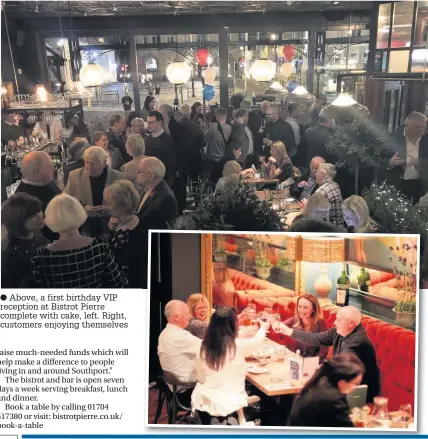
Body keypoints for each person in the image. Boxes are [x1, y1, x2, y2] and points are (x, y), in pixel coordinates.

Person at [280, 306, 380, 402]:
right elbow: (316, 338)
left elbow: (341, 365)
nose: (335, 322)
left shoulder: (358, 341)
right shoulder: (340, 332)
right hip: (341, 385)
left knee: (308, 398)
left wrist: (320, 369)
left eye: (339, 320)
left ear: (351, 323)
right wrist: (289, 331)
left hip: (357, 394)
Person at [192, 307, 270, 425]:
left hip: (206, 403)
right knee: (270, 405)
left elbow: (201, 378)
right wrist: (263, 328)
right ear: (233, 326)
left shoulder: (202, 347)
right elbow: (256, 342)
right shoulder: (237, 346)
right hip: (232, 405)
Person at [31, 194, 127, 288]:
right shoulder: (100, 246)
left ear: (50, 219)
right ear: (79, 212)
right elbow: (117, 283)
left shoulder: (40, 256)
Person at [288, 353, 364, 427]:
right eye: (355, 383)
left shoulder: (322, 381)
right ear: (342, 383)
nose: (355, 387)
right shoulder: (333, 399)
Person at [65, 146, 125, 237]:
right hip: (85, 228)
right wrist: (83, 208)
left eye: (93, 163)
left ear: (104, 163)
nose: (89, 167)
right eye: (86, 162)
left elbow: (127, 205)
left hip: (113, 227)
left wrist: (111, 210)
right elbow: (65, 201)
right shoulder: (74, 176)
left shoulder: (119, 178)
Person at [104, 180, 147, 288]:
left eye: (108, 203)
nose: (105, 206)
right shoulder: (139, 219)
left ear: (118, 208)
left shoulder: (122, 240)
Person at [1, 193, 46, 288]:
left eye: (39, 211)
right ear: (18, 220)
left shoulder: (35, 233)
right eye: (33, 215)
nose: (40, 217)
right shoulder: (11, 255)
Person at [15, 151, 62, 241]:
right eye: (49, 166)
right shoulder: (23, 197)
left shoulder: (45, 181)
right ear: (36, 170)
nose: (53, 168)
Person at [384, 111, 428, 204]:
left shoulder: (426, 140)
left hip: (420, 185)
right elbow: (377, 161)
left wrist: (419, 162)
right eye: (417, 127)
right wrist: (390, 162)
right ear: (406, 125)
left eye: (423, 126)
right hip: (397, 185)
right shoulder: (391, 138)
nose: (421, 130)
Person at [158, 300, 202, 392]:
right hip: (187, 389)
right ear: (176, 317)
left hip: (175, 386)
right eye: (187, 313)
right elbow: (209, 347)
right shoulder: (178, 336)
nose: (190, 317)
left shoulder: (165, 333)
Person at [136, 157, 178, 230]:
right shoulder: (147, 187)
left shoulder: (166, 199)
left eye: (140, 171)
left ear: (151, 176)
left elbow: (164, 231)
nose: (136, 173)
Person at [283, 294, 329, 360]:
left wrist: (310, 364)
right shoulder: (294, 320)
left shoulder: (321, 324)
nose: (301, 310)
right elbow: (282, 325)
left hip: (314, 363)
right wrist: (274, 322)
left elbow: (323, 352)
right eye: (300, 306)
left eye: (305, 307)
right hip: (296, 360)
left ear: (313, 309)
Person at [144, 110, 176, 188]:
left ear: (160, 122)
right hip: (150, 180)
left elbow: (171, 163)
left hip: (164, 180)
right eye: (147, 122)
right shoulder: (147, 139)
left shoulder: (167, 140)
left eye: (151, 122)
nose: (149, 125)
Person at [203, 108, 232, 183]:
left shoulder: (213, 126)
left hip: (213, 158)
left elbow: (205, 140)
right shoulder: (229, 127)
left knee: (211, 180)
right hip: (224, 159)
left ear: (218, 115)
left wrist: (205, 128)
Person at [180, 104, 205, 182]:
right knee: (195, 179)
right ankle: (194, 193)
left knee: (182, 180)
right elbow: (202, 142)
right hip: (194, 156)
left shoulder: (175, 126)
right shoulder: (196, 126)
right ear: (190, 113)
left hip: (181, 158)